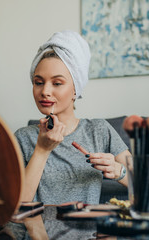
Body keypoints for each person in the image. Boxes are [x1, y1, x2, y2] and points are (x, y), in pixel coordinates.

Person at [14, 30, 132, 205]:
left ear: (76, 89)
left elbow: (146, 184)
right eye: (38, 82)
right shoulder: (22, 138)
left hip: (87, 231)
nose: (45, 91)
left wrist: (118, 170)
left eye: (57, 83)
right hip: (35, 231)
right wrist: (42, 149)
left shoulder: (99, 130)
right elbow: (16, 206)